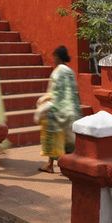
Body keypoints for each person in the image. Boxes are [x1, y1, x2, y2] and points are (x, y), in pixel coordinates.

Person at [35, 45, 81, 173]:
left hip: (59, 109)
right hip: (72, 109)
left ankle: (51, 165)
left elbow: (55, 93)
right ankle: (66, 164)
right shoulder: (70, 71)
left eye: (54, 56)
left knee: (53, 135)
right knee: (69, 141)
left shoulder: (58, 72)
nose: (53, 59)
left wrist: (44, 102)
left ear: (57, 57)